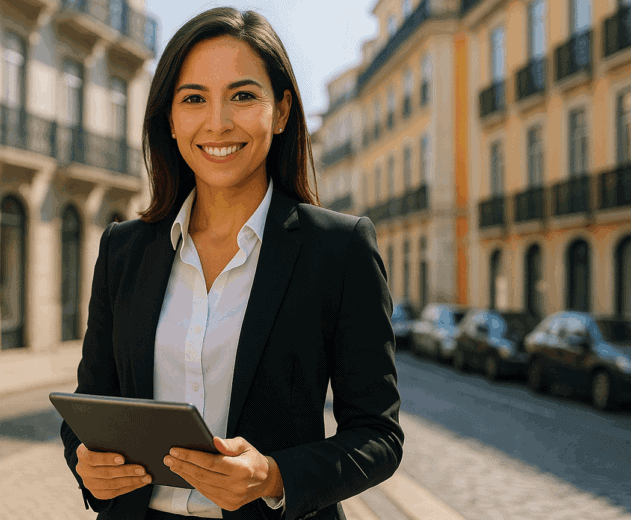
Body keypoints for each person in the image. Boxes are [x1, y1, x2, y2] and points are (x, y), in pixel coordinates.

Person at [60, 7, 403, 520]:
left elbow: (378, 437)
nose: (218, 122)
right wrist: (86, 464)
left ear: (281, 111)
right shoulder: (123, 250)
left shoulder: (339, 249)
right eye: (193, 99)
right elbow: (91, 410)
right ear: (170, 120)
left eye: (243, 96)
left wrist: (274, 476)